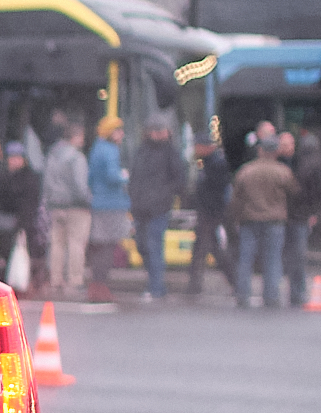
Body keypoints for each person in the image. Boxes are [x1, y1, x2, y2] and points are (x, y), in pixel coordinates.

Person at [230, 132, 296, 308]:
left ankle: (242, 294)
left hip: (249, 219)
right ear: (276, 151)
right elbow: (293, 194)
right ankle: (271, 296)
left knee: (246, 259)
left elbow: (236, 198)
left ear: (259, 150)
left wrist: (236, 218)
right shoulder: (283, 172)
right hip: (275, 220)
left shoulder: (246, 171)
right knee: (273, 259)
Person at [126, 116, 182, 302]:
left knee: (153, 246)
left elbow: (179, 179)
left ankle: (156, 287)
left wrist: (163, 195)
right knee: (142, 245)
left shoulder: (170, 153)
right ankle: (155, 283)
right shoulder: (141, 151)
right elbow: (135, 176)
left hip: (158, 207)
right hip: (140, 207)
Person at [0, 139, 40, 284]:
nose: (14, 161)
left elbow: (29, 205)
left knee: (10, 255)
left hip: (17, 222)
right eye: (12, 158)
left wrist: (23, 224)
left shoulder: (29, 178)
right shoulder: (0, 174)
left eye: (18, 158)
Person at [42, 123, 94, 297]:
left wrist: (50, 201)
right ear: (75, 137)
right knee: (76, 244)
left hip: (55, 206)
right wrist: (87, 200)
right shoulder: (76, 158)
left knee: (56, 244)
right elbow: (80, 185)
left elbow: (47, 182)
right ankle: (75, 281)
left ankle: (55, 280)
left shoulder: (52, 155)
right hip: (75, 207)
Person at [84, 118, 130, 304]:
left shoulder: (97, 148)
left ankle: (96, 285)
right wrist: (124, 176)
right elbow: (112, 176)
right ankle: (100, 286)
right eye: (118, 131)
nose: (122, 134)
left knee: (99, 246)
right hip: (112, 204)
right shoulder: (110, 150)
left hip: (98, 203)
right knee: (108, 246)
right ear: (111, 132)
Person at [287, 129, 321, 299]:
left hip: (294, 214)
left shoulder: (297, 163)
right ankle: (298, 291)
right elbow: (320, 193)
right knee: (298, 254)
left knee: (294, 254)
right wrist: (316, 212)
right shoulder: (317, 165)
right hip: (303, 214)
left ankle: (295, 290)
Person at [184, 135, 231, 296]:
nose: (195, 149)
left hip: (210, 213)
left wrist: (210, 210)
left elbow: (214, 192)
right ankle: (235, 282)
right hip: (207, 212)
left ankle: (194, 286)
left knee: (202, 249)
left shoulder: (216, 164)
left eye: (197, 146)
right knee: (211, 248)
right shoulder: (206, 163)